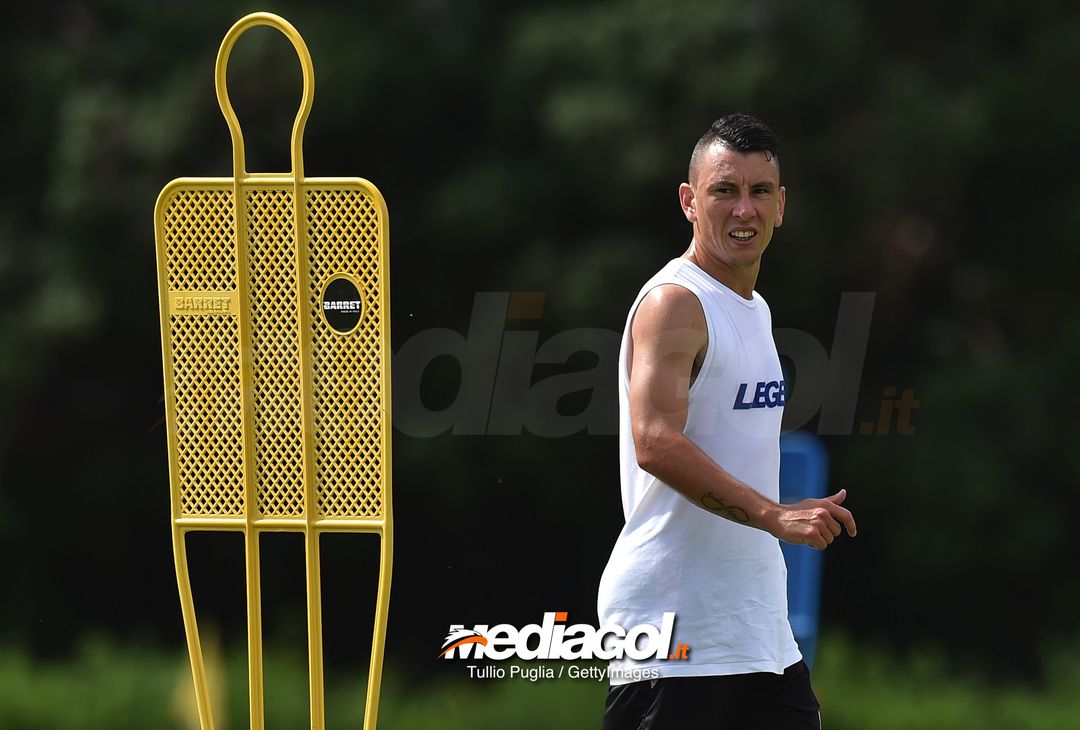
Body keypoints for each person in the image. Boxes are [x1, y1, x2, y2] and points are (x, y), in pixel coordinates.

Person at [597, 113, 857, 729]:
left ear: (781, 204)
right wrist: (775, 514)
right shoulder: (675, 302)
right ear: (690, 201)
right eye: (724, 190)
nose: (745, 209)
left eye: (759, 191)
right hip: (673, 631)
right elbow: (655, 443)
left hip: (757, 629)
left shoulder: (754, 307)